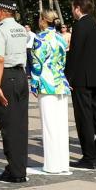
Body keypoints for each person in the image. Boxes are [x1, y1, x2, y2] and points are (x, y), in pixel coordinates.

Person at [0, 3, 32, 182]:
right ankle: (19, 167)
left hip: (7, 77)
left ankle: (15, 171)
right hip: (21, 76)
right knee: (20, 125)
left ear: (2, 12)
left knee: (8, 125)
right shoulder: (21, 29)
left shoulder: (0, 29)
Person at [65, 0, 96, 169]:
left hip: (83, 79)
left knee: (84, 118)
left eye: (73, 8)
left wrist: (68, 77)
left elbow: (75, 54)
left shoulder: (80, 26)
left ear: (77, 8)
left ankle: (89, 156)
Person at [29, 12, 71, 175]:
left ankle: (52, 165)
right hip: (61, 83)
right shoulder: (61, 38)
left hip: (46, 84)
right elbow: (63, 61)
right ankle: (62, 164)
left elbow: (36, 63)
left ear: (44, 21)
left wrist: (34, 84)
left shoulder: (40, 38)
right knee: (61, 126)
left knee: (49, 125)